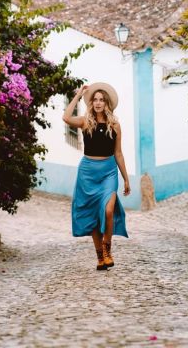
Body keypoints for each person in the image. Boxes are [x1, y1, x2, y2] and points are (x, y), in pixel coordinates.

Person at [63, 82, 130, 270]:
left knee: (108, 211)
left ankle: (108, 250)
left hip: (108, 171)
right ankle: (100, 257)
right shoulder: (85, 121)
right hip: (87, 172)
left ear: (107, 103)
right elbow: (66, 117)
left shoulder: (115, 125)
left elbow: (118, 153)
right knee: (93, 215)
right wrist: (78, 95)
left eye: (102, 100)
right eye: (95, 100)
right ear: (91, 103)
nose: (98, 103)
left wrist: (125, 178)